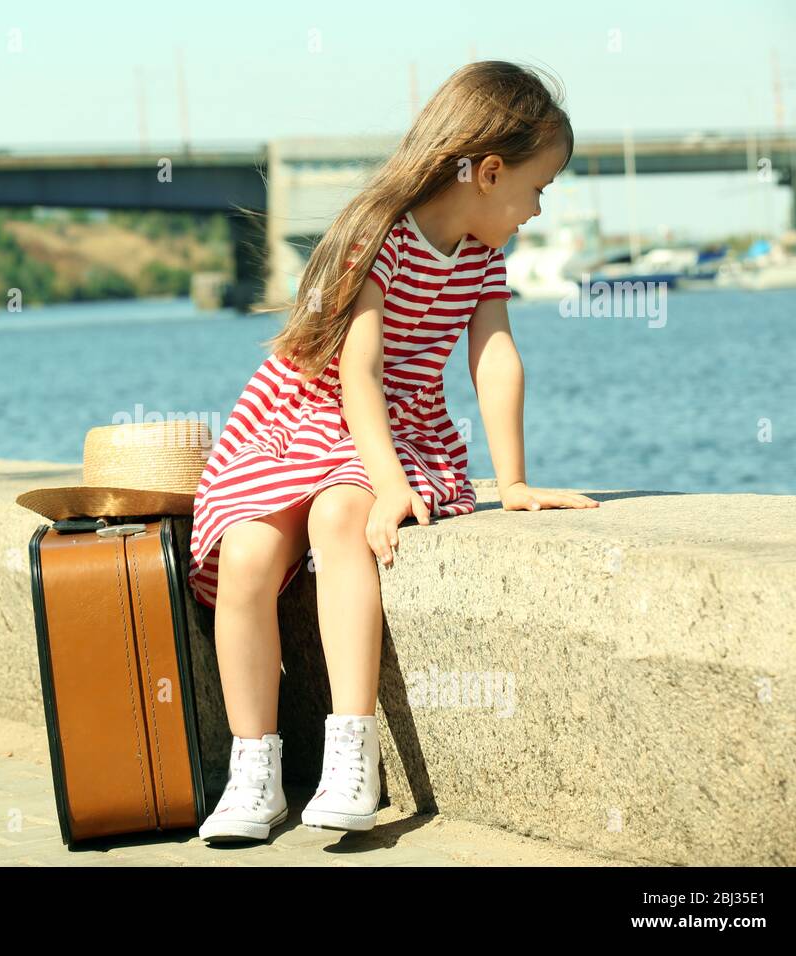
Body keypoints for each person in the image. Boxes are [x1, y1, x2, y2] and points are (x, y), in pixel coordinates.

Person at [190, 60, 600, 843]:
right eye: (538, 188)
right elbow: (358, 368)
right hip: (301, 416)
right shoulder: (377, 236)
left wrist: (511, 480)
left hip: (393, 426)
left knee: (341, 518)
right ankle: (255, 767)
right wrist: (389, 484)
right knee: (246, 555)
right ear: (487, 172)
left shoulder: (480, 256)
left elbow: (495, 356)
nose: (538, 209)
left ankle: (351, 748)